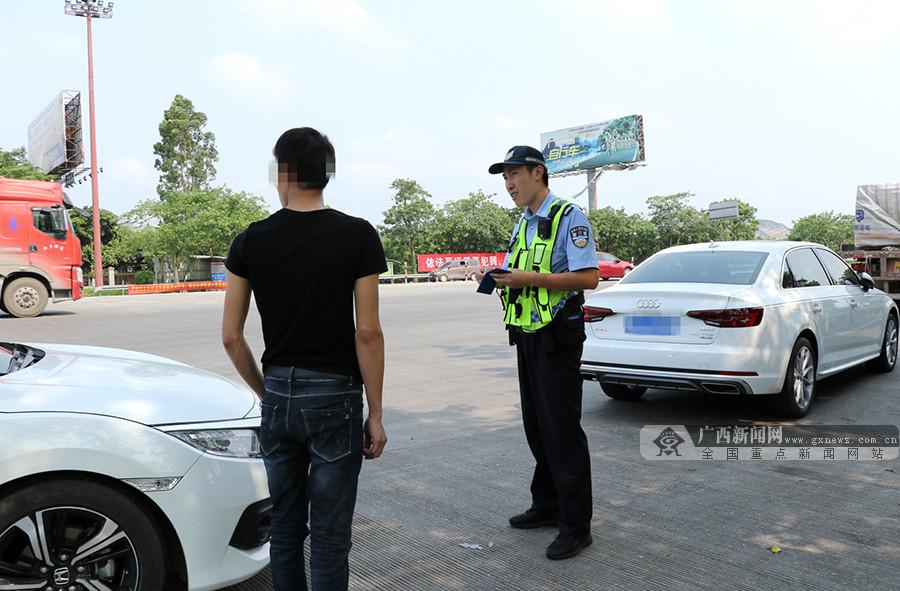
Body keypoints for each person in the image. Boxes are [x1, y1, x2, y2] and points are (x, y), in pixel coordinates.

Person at [221, 127, 388, 591]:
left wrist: (267, 392)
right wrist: (375, 413)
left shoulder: (250, 241)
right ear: (325, 175)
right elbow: (368, 333)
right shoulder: (357, 235)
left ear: (284, 173)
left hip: (277, 394)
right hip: (336, 397)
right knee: (331, 538)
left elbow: (231, 338)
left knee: (286, 530)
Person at [476, 145, 599, 560]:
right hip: (526, 332)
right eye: (504, 177)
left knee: (562, 429)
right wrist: (496, 277)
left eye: (514, 175)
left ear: (538, 173)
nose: (509, 184)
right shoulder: (523, 223)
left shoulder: (569, 218)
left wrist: (531, 278)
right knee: (536, 425)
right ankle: (546, 505)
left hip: (557, 337)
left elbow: (589, 278)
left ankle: (576, 526)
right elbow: (522, 270)